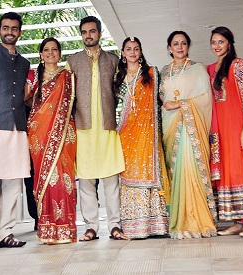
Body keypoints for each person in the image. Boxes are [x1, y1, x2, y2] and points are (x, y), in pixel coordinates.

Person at [66, 16, 126, 241]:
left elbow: (122, 91)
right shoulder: (72, 62)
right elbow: (66, 96)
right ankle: (91, 226)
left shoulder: (112, 61)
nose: (88, 35)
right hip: (83, 129)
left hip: (107, 128)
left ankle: (115, 226)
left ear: (99, 33)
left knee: (111, 180)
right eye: (84, 32)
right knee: (86, 181)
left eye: (92, 31)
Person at [159, 31, 217, 239]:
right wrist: (168, 104)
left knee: (190, 167)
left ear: (188, 47)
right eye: (175, 44)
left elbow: (205, 98)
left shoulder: (197, 69)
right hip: (170, 126)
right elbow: (161, 99)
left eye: (183, 43)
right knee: (175, 172)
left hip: (189, 127)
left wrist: (181, 104)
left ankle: (197, 219)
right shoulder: (163, 72)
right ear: (169, 48)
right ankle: (179, 220)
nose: (180, 47)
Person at [0, 12, 30, 253]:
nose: (9, 31)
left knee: (14, 181)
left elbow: (23, 94)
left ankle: (6, 233)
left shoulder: (24, 63)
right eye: (5, 28)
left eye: (14, 28)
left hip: (17, 129)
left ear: (19, 32)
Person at [114, 37, 170, 239]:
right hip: (127, 133)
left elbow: (162, 98)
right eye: (128, 49)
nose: (132, 52)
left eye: (136, 49)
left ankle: (156, 224)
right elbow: (115, 105)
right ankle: (133, 225)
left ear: (140, 51)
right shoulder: (118, 77)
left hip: (148, 133)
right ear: (122, 52)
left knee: (148, 171)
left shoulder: (151, 74)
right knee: (129, 174)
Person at [207, 26, 243, 237]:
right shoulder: (211, 69)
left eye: (221, 41)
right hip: (221, 130)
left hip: (238, 125)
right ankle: (239, 221)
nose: (217, 46)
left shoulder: (239, 65)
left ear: (230, 43)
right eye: (214, 42)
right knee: (229, 172)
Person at [26, 37, 77, 244]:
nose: (50, 53)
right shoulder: (33, 76)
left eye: (54, 49)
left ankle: (65, 227)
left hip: (63, 133)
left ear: (59, 53)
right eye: (46, 50)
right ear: (40, 54)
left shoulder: (67, 76)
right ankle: (46, 228)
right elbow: (25, 99)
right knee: (43, 178)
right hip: (39, 135)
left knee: (63, 177)